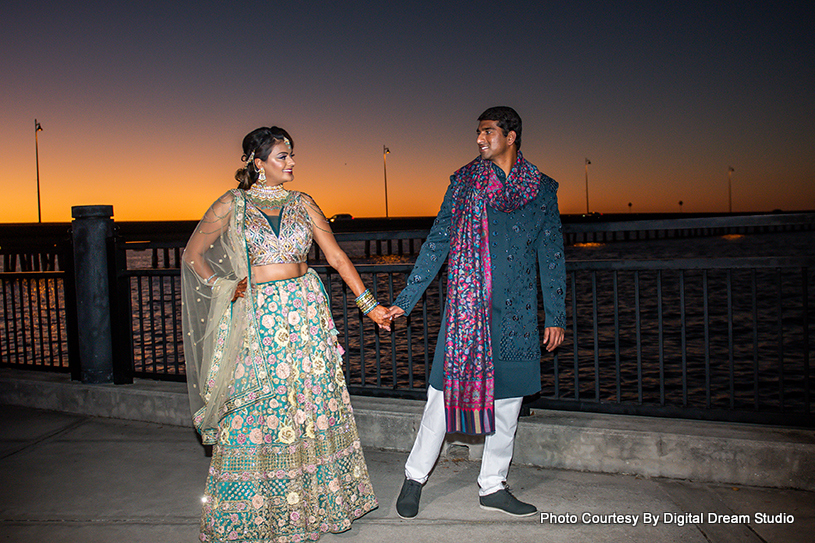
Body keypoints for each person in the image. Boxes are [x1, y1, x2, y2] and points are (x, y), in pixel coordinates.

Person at [181, 126, 387, 541]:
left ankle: (319, 507)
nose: (291, 163)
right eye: (282, 156)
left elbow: (335, 256)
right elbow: (193, 255)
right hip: (256, 316)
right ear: (258, 163)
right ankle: (257, 513)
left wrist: (370, 305)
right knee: (261, 408)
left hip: (305, 311)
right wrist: (222, 286)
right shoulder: (232, 205)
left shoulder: (304, 202)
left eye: (291, 155)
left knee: (311, 403)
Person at [385, 106, 566, 518]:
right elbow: (437, 242)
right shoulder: (464, 183)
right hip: (468, 312)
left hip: (517, 312)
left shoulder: (541, 189)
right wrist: (406, 300)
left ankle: (493, 486)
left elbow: (551, 254)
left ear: (512, 135)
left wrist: (555, 315)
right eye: (478, 133)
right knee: (440, 398)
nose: (480, 140)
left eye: (488, 132)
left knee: (509, 404)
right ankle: (414, 478)